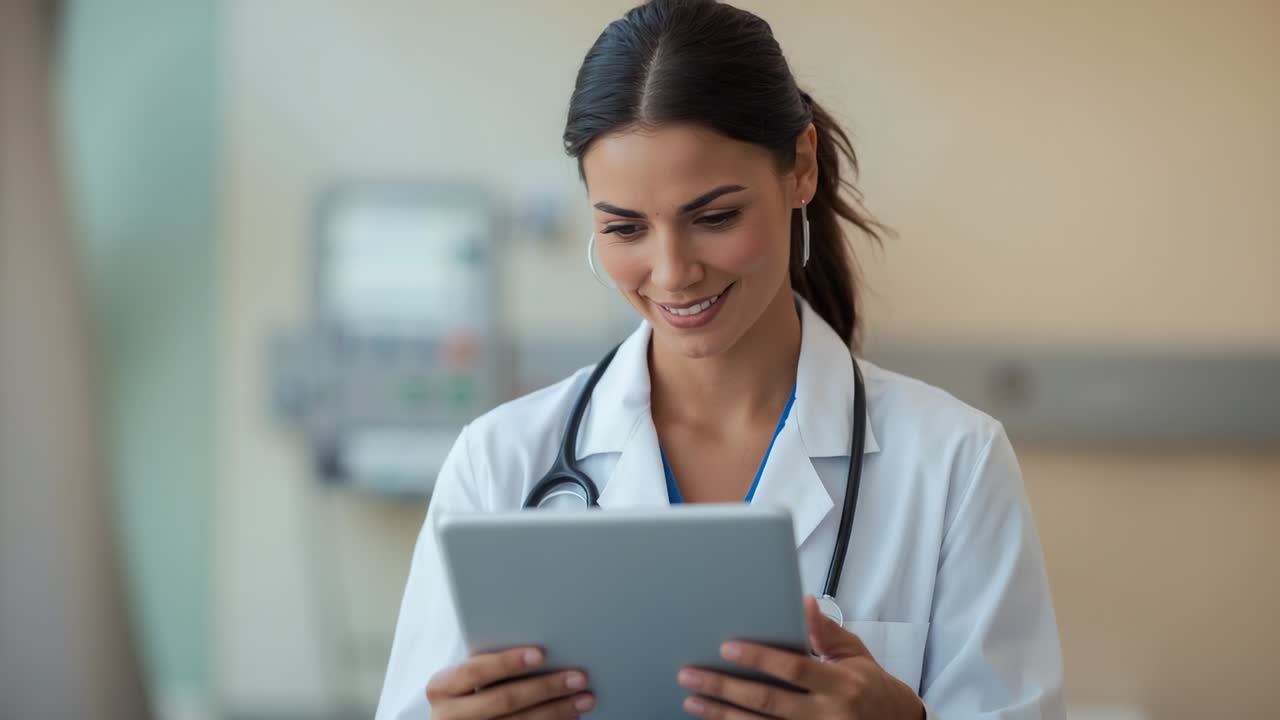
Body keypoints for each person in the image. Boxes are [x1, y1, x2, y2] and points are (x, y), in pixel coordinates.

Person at [376, 1, 1065, 718]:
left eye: (713, 218)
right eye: (625, 228)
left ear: (800, 168)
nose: (672, 272)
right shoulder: (499, 465)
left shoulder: (954, 462)